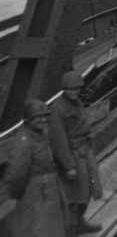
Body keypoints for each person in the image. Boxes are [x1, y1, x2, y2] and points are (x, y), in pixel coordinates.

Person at [50, 71, 103, 235]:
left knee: (90, 188)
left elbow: (84, 125)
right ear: (64, 89)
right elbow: (59, 140)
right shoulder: (57, 109)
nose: (74, 92)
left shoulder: (78, 103)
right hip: (73, 155)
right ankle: (71, 228)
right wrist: (68, 165)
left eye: (77, 89)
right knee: (75, 194)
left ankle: (79, 222)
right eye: (70, 89)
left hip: (85, 150)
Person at [5, 99, 68, 237]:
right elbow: (16, 173)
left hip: (48, 187)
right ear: (28, 119)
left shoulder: (41, 134)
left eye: (45, 116)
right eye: (38, 117)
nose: (43, 119)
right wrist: (19, 193)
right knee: (39, 227)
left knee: (52, 223)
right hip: (36, 190)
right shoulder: (24, 141)